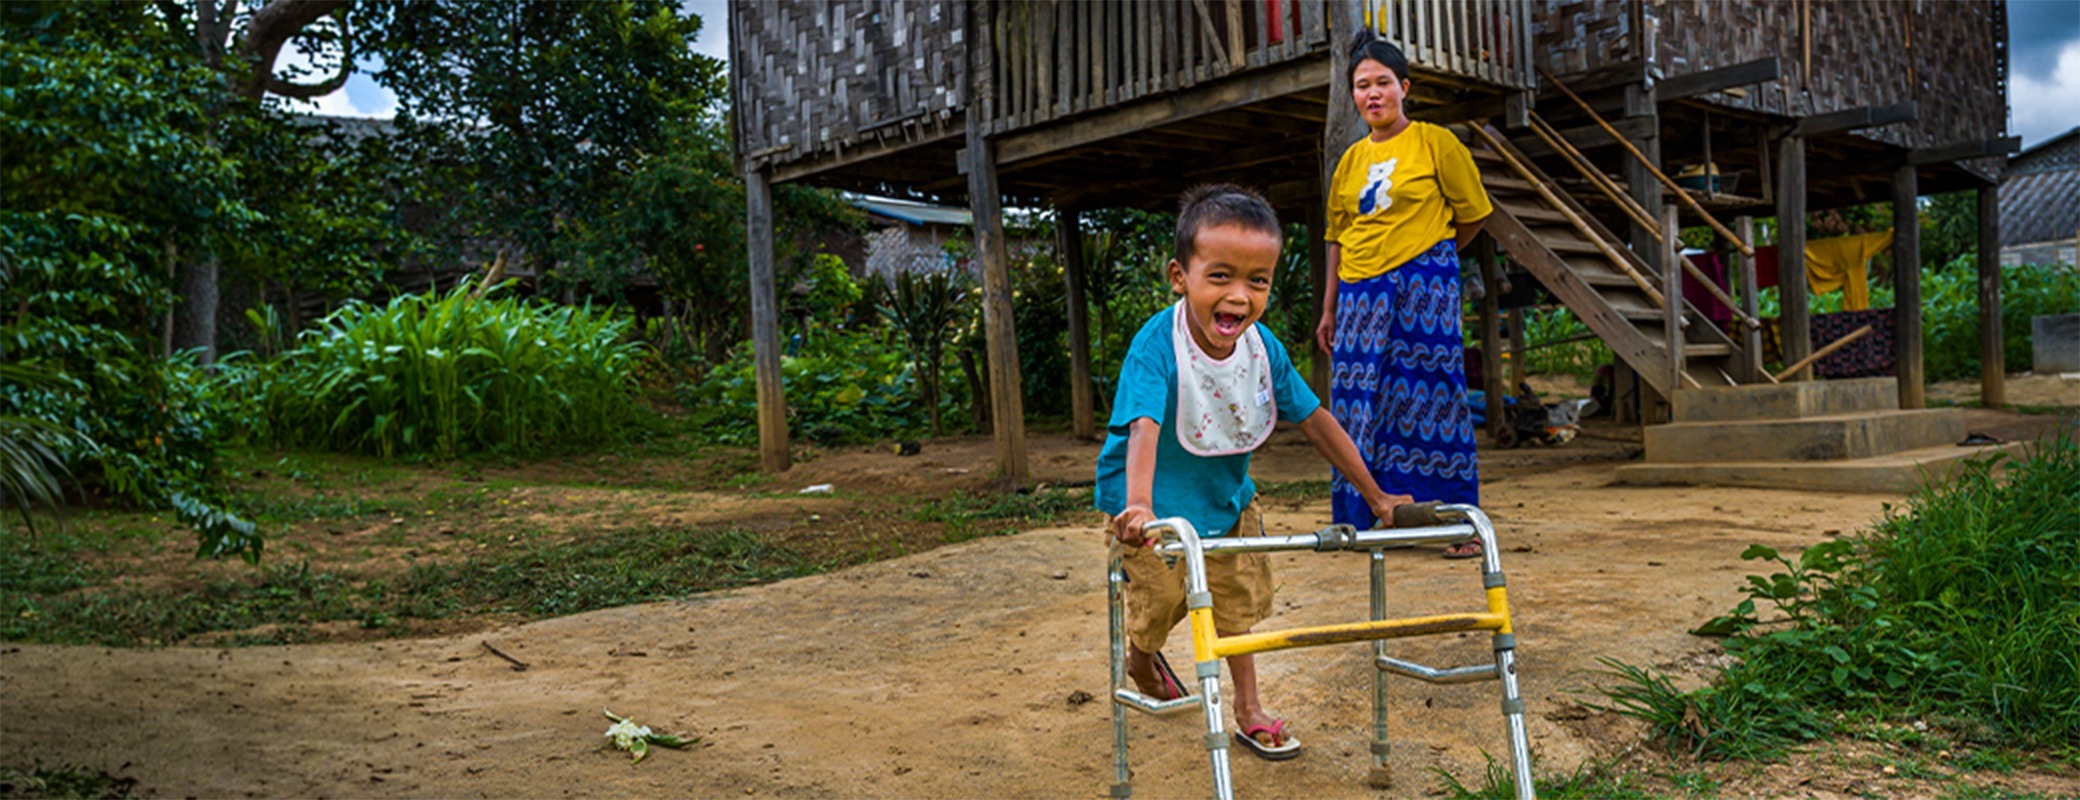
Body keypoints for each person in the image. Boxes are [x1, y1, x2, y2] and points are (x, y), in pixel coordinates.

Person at [1098, 184, 1413, 761]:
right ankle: (1140, 657)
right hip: (1152, 504)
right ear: (1180, 277)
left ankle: (1248, 708)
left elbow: (1315, 418)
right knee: (1163, 603)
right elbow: (1143, 425)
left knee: (1236, 606)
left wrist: (1377, 496)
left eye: (1257, 281)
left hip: (1227, 499)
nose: (1238, 296)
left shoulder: (1262, 348)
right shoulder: (1156, 346)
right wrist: (1139, 506)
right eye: (1219, 276)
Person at [1316, 33, 1492, 558]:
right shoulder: (1348, 161)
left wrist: (1432, 256)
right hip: (1358, 296)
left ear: (1404, 87)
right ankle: (1366, 518)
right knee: (1357, 401)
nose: (1373, 94)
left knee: (1433, 396)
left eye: (1383, 83)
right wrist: (1329, 306)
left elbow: (1475, 214)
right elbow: (1335, 237)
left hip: (1423, 288)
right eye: (1362, 85)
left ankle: (1454, 522)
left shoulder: (1437, 142)